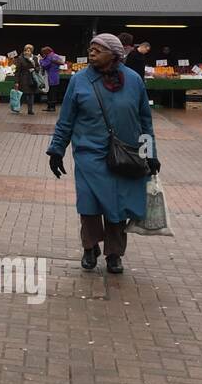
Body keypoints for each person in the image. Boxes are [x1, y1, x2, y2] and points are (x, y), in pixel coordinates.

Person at [46, 33, 159, 274]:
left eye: (99, 49)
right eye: (91, 48)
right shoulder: (79, 81)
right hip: (89, 154)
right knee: (88, 204)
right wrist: (56, 150)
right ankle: (89, 247)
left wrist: (150, 153)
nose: (92, 52)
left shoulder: (134, 80)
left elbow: (145, 122)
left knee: (116, 207)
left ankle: (114, 254)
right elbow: (66, 120)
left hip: (125, 155)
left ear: (115, 54)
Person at [15, 44, 40, 115]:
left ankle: (30, 110)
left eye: (29, 51)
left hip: (32, 79)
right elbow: (17, 71)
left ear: (31, 51)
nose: (27, 52)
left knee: (31, 95)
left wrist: (34, 66)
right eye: (26, 50)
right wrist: (16, 82)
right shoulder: (20, 58)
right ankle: (17, 108)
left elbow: (38, 69)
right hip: (23, 79)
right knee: (22, 95)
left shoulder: (35, 58)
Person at [38, 46, 63, 112]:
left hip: (50, 76)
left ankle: (51, 107)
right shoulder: (56, 55)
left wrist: (40, 60)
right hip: (55, 76)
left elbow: (45, 65)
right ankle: (51, 106)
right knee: (53, 91)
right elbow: (62, 62)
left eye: (43, 53)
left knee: (51, 92)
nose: (43, 54)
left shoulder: (49, 57)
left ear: (46, 52)